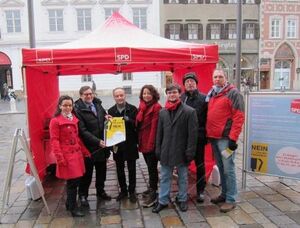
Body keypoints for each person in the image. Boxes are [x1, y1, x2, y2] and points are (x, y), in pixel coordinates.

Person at [152, 84, 198, 213]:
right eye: (169, 92)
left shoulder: (189, 111)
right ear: (166, 94)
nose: (172, 95)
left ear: (179, 94)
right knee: (165, 176)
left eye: (174, 92)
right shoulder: (163, 112)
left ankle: (182, 199)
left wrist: (190, 151)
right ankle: (163, 200)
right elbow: (159, 133)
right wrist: (158, 148)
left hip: (181, 150)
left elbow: (192, 134)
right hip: (166, 150)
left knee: (183, 177)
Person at [206, 68, 245, 213]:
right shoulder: (213, 93)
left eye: (220, 77)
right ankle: (224, 194)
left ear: (226, 78)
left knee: (228, 169)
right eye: (215, 77)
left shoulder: (233, 93)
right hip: (214, 138)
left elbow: (239, 117)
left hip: (225, 139)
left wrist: (233, 139)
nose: (217, 79)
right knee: (221, 168)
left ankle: (231, 199)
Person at [49, 95, 90, 217]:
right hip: (67, 156)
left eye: (70, 105)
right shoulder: (55, 121)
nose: (68, 107)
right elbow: (54, 141)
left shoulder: (74, 119)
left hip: (76, 154)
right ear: (60, 106)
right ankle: (73, 208)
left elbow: (77, 138)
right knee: (73, 182)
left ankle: (69, 203)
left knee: (75, 181)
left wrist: (85, 151)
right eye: (65, 105)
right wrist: (59, 157)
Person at [74, 86, 111, 208]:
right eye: (86, 94)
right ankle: (83, 195)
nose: (89, 96)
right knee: (87, 174)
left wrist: (107, 117)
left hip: (102, 146)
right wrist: (97, 141)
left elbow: (103, 116)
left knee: (102, 171)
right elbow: (82, 131)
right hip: (88, 148)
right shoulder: (78, 109)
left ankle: (100, 191)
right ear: (81, 95)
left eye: (90, 94)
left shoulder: (97, 104)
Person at [107, 88, 139, 203]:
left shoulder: (133, 109)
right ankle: (123, 191)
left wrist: (128, 119)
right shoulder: (110, 110)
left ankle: (132, 191)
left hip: (130, 143)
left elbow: (137, 124)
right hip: (117, 145)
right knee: (119, 169)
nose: (119, 98)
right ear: (114, 97)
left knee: (132, 169)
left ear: (125, 95)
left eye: (121, 95)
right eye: (117, 96)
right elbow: (108, 129)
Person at [181, 72, 207, 203]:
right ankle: (182, 191)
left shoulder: (204, 98)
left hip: (198, 137)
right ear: (184, 85)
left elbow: (208, 118)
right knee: (183, 165)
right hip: (184, 138)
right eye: (187, 82)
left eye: (192, 81)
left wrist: (205, 134)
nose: (189, 83)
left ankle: (200, 190)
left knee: (200, 165)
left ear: (196, 83)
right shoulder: (180, 98)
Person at [136, 85, 162, 207]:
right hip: (143, 140)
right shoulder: (142, 106)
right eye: (144, 93)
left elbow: (154, 128)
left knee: (152, 168)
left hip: (150, 142)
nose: (146, 95)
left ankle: (154, 192)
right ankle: (152, 187)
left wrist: (151, 145)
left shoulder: (156, 107)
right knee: (149, 167)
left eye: (148, 93)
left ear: (153, 94)